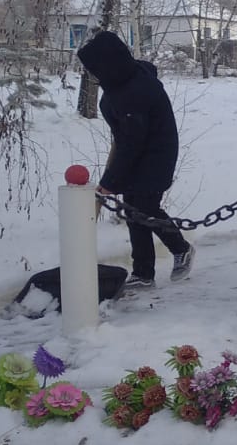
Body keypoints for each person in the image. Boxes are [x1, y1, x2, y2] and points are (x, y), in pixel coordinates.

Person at [76, 30, 194, 291]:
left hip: (154, 155)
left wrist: (110, 181)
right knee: (134, 211)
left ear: (109, 64)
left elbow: (131, 143)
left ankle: (180, 248)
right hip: (140, 151)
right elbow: (127, 139)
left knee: (145, 208)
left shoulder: (135, 92)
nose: (93, 75)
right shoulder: (125, 79)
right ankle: (143, 273)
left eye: (95, 68)